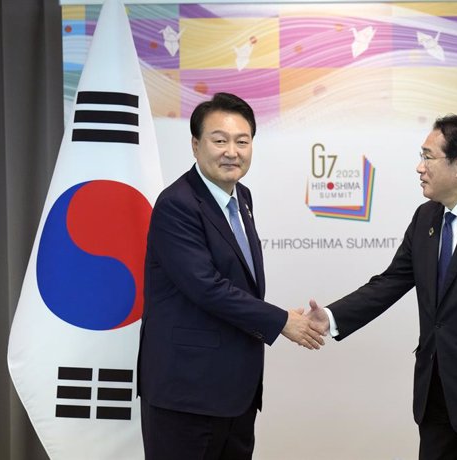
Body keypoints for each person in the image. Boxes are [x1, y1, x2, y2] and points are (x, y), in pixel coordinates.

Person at [308, 115, 457, 460]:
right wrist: (331, 318)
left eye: (427, 157)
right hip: (434, 391)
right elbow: (390, 282)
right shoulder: (426, 219)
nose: (419, 167)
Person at [137, 92, 325, 460]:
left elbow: (236, 283)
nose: (232, 151)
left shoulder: (243, 198)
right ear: (195, 145)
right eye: (219, 140)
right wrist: (280, 321)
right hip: (186, 395)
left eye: (242, 141)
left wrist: (273, 316)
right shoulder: (177, 204)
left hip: (234, 394)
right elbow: (206, 287)